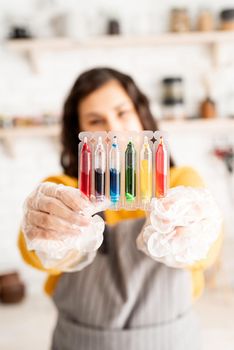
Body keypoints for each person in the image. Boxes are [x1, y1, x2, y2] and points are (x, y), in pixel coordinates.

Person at [18, 67, 222, 350]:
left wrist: (191, 235)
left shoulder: (180, 183)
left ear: (142, 116)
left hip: (171, 340)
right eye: (95, 119)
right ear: (79, 132)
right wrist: (52, 238)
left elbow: (207, 255)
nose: (112, 128)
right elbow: (34, 255)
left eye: (122, 112)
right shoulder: (62, 189)